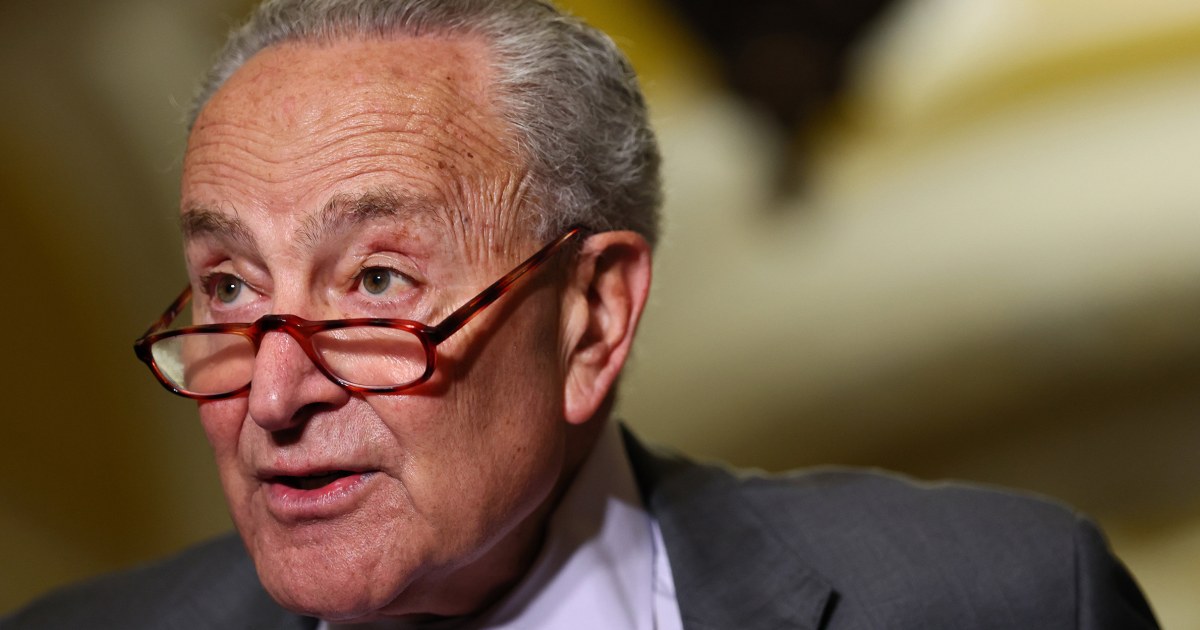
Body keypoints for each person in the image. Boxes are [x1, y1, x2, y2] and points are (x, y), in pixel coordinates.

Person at [3, 1, 1159, 628]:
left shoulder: (998, 600)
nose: (273, 394)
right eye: (230, 289)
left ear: (594, 319)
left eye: (377, 284)